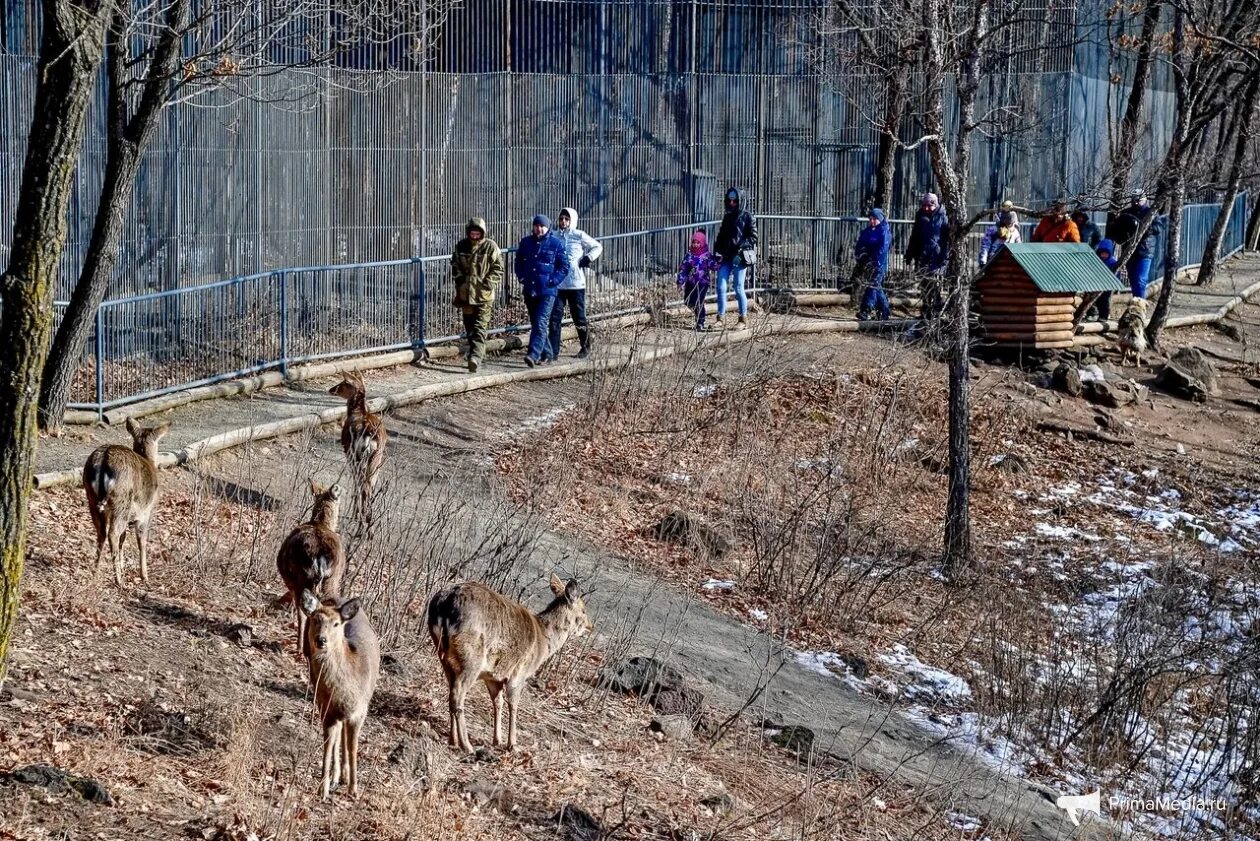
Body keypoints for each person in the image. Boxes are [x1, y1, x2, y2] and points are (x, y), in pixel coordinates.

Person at [514, 214, 571, 367]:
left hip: (547, 291)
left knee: (541, 321)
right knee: (536, 323)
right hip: (530, 289)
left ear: (547, 227)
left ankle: (533, 354)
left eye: (542, 226)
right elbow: (518, 261)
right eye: (536, 225)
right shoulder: (526, 242)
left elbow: (564, 267)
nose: (539, 229)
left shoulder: (556, 244)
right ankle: (548, 353)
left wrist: (553, 281)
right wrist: (521, 277)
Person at [548, 207, 602, 360]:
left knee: (578, 317)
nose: (563, 221)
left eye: (566, 219)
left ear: (572, 220)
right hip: (558, 284)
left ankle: (585, 345)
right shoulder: (554, 236)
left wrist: (588, 258)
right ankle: (553, 350)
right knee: (555, 317)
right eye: (561, 218)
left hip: (576, 284)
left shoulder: (579, 235)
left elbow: (597, 246)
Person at [451, 217, 504, 373]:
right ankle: (476, 352)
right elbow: (455, 264)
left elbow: (498, 268)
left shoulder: (490, 247)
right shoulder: (461, 246)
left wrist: (488, 283)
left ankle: (475, 357)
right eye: (472, 232)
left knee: (480, 326)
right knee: (469, 326)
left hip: (484, 296)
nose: (474, 235)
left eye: (477, 233)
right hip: (466, 295)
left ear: (482, 233)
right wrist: (460, 279)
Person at [712, 187, 757, 329]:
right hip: (726, 257)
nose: (732, 203)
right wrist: (717, 251)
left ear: (741, 200)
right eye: (729, 200)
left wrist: (741, 247)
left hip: (740, 258)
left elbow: (753, 237)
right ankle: (720, 318)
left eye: (735, 200)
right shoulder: (727, 216)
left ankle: (743, 319)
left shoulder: (748, 217)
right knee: (720, 286)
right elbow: (720, 237)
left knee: (738, 287)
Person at [1106, 192, 1162, 299]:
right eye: (1134, 200)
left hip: (1145, 250)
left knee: (1141, 278)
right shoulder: (1126, 214)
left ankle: (1139, 302)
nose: (1136, 203)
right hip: (1129, 250)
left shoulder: (1150, 213)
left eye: (1139, 200)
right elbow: (1117, 230)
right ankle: (1136, 299)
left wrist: (1143, 228)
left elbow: (1158, 228)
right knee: (1132, 278)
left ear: (1145, 200)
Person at [906, 192, 948, 319]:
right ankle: (925, 312)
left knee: (934, 287)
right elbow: (915, 236)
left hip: (937, 257)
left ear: (935, 204)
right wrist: (910, 253)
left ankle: (936, 311)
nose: (926, 208)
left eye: (929, 206)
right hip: (922, 256)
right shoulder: (921, 216)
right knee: (924, 287)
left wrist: (945, 255)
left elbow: (947, 238)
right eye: (924, 205)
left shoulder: (943, 217)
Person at [853, 208, 892, 321]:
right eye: (870, 219)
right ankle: (884, 311)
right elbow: (860, 245)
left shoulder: (884, 231)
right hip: (869, 263)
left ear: (880, 219)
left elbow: (882, 249)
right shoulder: (868, 231)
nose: (872, 221)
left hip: (879, 263)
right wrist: (860, 256)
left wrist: (876, 261)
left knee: (873, 285)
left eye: (874, 219)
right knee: (876, 286)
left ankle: (866, 309)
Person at [677, 230, 719, 331]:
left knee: (698, 301)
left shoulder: (706, 256)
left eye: (698, 242)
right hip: (690, 283)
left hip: (702, 283)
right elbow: (683, 269)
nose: (695, 244)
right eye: (693, 242)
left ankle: (700, 321)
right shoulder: (689, 255)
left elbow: (713, 265)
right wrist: (680, 281)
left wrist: (721, 261)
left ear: (702, 243)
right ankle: (698, 314)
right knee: (688, 301)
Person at [1091, 238, 1123, 321]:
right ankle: (1093, 313)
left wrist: (1116, 284)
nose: (1104, 255)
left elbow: (1117, 274)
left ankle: (1104, 316)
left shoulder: (1112, 262)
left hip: (1108, 286)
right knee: (1097, 301)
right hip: (1097, 284)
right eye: (1102, 253)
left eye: (1106, 253)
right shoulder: (1096, 261)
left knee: (1104, 301)